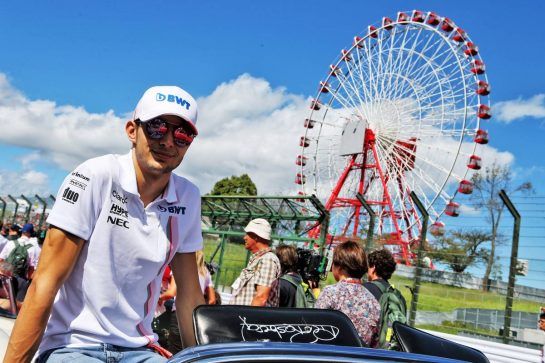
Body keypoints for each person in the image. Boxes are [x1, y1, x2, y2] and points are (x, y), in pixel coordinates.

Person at [4, 85, 206, 362]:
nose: (169, 141)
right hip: (73, 345)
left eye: (183, 134)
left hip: (139, 351)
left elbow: (190, 296)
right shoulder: (95, 175)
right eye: (158, 127)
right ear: (132, 131)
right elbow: (45, 282)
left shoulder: (188, 197)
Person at [315, 241, 380, 347]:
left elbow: (315, 327)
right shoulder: (373, 300)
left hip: (333, 355)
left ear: (339, 267)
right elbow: (374, 342)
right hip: (360, 357)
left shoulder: (331, 293)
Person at [161, 250, 216, 354]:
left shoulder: (179, 269)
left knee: (175, 350)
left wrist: (160, 298)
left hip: (179, 314)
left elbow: (171, 292)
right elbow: (212, 300)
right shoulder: (206, 272)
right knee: (192, 351)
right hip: (198, 317)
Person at [229, 218, 280, 306]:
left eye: (248, 234)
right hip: (241, 317)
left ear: (256, 236)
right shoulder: (258, 259)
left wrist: (247, 319)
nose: (244, 237)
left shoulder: (268, 259)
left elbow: (261, 298)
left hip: (248, 319)